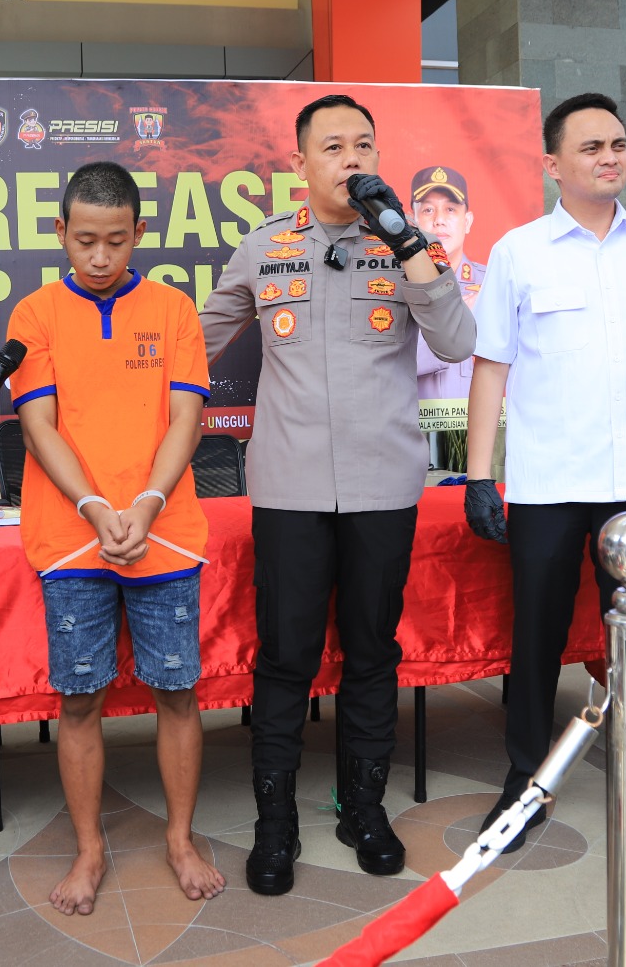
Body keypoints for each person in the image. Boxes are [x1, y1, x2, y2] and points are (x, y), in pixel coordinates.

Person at [199, 93, 477, 895]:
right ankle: (275, 824)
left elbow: (458, 341)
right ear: (300, 163)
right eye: (333, 147)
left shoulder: (407, 245)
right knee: (285, 658)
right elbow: (195, 343)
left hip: (382, 487)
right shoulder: (264, 248)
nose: (351, 159)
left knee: (371, 653)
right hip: (288, 489)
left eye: (364, 145)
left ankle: (364, 809)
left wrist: (408, 244)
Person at [462, 92, 626, 862]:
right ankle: (524, 784)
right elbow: (491, 366)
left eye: (618, 144)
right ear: (552, 164)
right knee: (536, 639)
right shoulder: (519, 252)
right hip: (548, 482)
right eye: (590, 147)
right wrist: (479, 476)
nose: (610, 157)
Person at [7, 161, 226, 917]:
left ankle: (181, 840)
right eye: (85, 241)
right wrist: (97, 507)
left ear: (140, 233)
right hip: (72, 540)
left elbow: (186, 418)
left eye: (116, 241)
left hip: (166, 537)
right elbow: (38, 425)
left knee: (177, 691)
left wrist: (150, 502)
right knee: (79, 700)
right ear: (60, 232)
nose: (100, 258)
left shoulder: (173, 309)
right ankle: (89, 849)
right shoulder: (35, 314)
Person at [411, 165, 482, 402]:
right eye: (428, 210)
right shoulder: (391, 288)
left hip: (480, 423)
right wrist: (453, 326)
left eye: (450, 209)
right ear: (413, 221)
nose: (439, 220)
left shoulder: (493, 285)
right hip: (412, 423)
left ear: (467, 221)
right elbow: (382, 366)